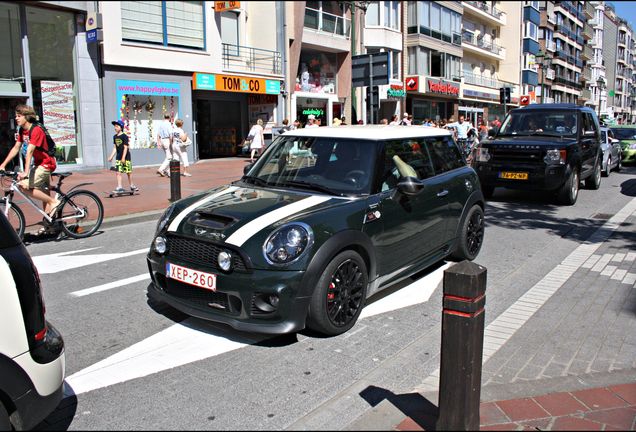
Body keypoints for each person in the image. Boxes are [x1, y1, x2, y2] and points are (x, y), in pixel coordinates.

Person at [0, 104, 61, 229]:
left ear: (27, 117)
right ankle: (49, 227)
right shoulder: (22, 130)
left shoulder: (35, 130)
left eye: (19, 116)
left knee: (24, 186)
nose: (16, 118)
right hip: (39, 163)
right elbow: (16, 148)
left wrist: (26, 172)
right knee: (44, 194)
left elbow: (30, 151)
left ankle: (55, 202)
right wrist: (3, 164)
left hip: (46, 163)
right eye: (16, 116)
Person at [108, 120, 138, 191]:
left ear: (121, 127)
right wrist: (111, 156)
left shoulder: (124, 136)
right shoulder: (115, 137)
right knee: (118, 172)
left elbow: (125, 147)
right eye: (115, 126)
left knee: (128, 172)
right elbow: (115, 147)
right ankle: (119, 186)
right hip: (118, 157)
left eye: (117, 126)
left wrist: (123, 157)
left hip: (126, 157)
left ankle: (132, 185)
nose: (115, 128)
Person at [156, 113, 173, 177]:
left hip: (162, 140)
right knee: (169, 157)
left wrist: (159, 142)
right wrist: (171, 143)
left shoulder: (161, 124)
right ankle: (161, 169)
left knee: (168, 156)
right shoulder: (168, 124)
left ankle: (169, 171)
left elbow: (158, 134)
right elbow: (170, 134)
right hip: (167, 140)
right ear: (169, 117)